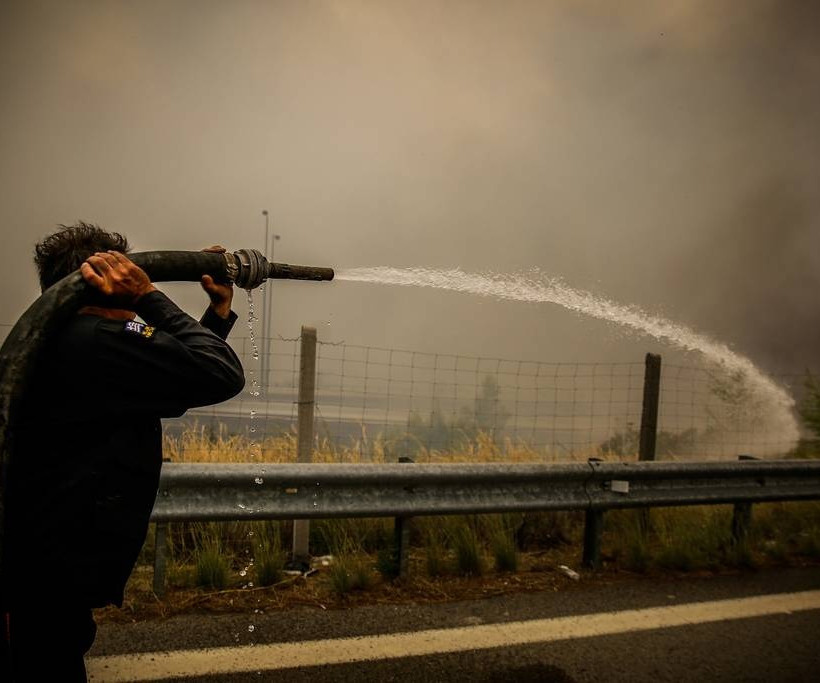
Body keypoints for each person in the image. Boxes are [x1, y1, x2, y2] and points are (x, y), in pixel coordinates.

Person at [0, 222, 245, 681]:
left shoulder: (72, 338)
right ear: (107, 279)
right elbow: (220, 374)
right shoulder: (99, 340)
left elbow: (179, 374)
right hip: (40, 577)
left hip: (40, 569)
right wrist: (149, 295)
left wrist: (215, 314)